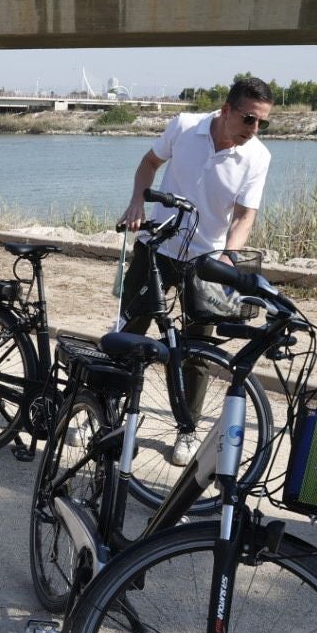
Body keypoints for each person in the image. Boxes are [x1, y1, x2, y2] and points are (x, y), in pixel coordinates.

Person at [118, 75, 274, 466]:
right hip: (157, 247)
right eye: (248, 119)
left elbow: (245, 214)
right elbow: (149, 163)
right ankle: (106, 412)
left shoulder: (258, 157)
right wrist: (137, 202)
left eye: (262, 123)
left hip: (205, 260)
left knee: (197, 351)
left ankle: (185, 431)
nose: (254, 130)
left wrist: (228, 257)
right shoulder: (185, 126)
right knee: (128, 332)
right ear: (225, 111)